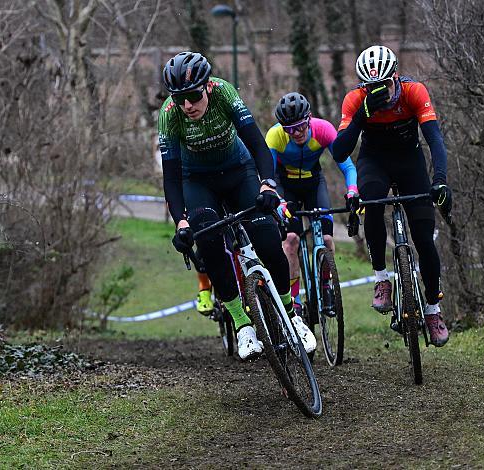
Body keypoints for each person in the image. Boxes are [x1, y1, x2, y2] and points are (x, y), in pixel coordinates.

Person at [158, 51, 317, 360]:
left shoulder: (224, 93)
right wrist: (181, 221)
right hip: (198, 182)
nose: (187, 105)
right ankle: (243, 324)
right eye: (180, 99)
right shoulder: (169, 115)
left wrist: (267, 184)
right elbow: (171, 178)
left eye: (192, 95)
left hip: (238, 171)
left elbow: (257, 143)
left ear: (206, 87)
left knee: (270, 242)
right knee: (208, 243)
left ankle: (291, 315)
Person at [331, 45, 452, 346]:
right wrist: (362, 115)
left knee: (424, 237)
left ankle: (433, 311)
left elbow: (435, 140)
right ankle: (381, 279)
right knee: (371, 202)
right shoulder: (356, 100)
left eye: (383, 85)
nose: (379, 91)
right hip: (375, 161)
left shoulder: (414, 92)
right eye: (371, 86)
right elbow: (339, 150)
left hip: (410, 161)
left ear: (395, 76)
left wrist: (440, 180)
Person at [265, 92, 358, 314]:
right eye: (289, 129)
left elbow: (347, 166)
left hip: (313, 185)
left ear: (309, 118)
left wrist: (353, 191)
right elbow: (267, 175)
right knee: (290, 240)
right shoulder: (274, 136)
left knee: (326, 238)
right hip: (285, 187)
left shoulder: (324, 129)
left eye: (300, 126)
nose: (296, 133)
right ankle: (294, 299)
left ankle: (326, 285)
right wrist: (278, 201)